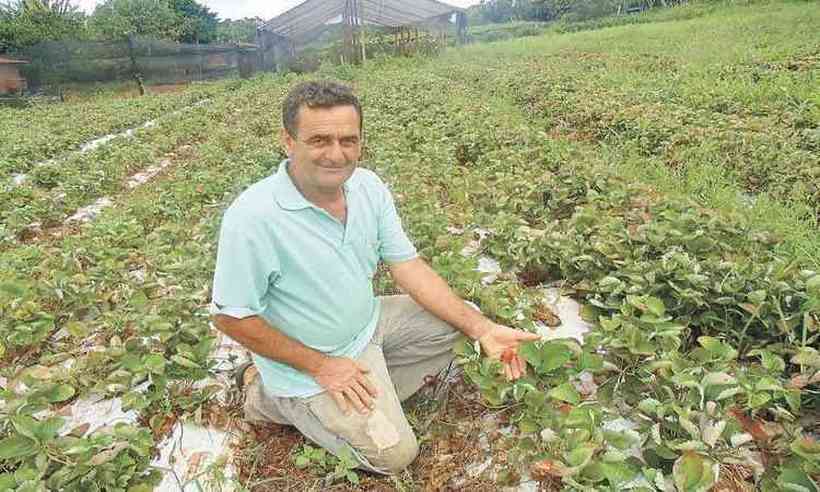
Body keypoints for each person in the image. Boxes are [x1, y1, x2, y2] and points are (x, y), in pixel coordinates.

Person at [210, 80, 540, 475]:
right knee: (395, 455)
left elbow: (407, 266)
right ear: (287, 140)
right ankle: (264, 395)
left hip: (369, 323)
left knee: (462, 322)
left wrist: (484, 328)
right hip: (310, 362)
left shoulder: (367, 186)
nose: (336, 154)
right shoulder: (254, 218)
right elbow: (230, 316)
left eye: (348, 140)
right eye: (319, 140)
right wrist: (321, 367)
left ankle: (367, 383)